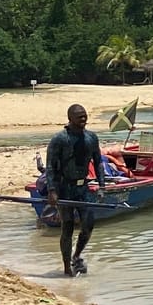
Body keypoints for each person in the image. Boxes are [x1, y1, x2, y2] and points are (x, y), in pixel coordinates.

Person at [45, 103, 105, 278]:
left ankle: (76, 255)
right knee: (68, 226)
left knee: (88, 224)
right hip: (64, 187)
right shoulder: (59, 139)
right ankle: (66, 267)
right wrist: (52, 190)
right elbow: (49, 167)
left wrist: (102, 186)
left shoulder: (91, 138)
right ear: (70, 118)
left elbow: (98, 162)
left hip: (83, 187)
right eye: (80, 117)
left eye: (85, 116)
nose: (83, 119)